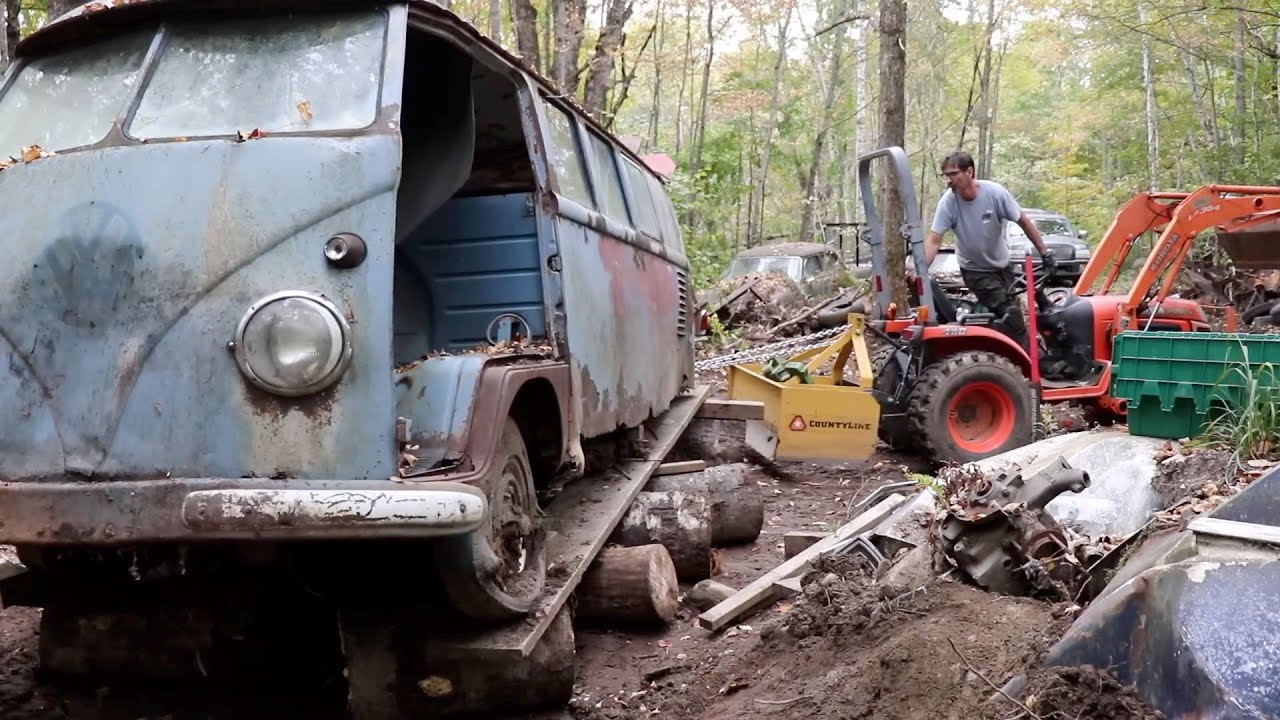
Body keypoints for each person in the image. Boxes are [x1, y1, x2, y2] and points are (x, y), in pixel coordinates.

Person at [923, 151, 1054, 348]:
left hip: (1002, 267)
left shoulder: (995, 194)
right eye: (946, 176)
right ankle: (1032, 364)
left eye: (953, 174)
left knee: (1012, 318)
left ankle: (1007, 356)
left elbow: (1024, 222)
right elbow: (934, 241)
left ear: (970, 172)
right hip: (975, 270)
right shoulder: (948, 203)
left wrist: (1044, 252)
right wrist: (920, 270)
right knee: (1011, 314)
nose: (949, 180)